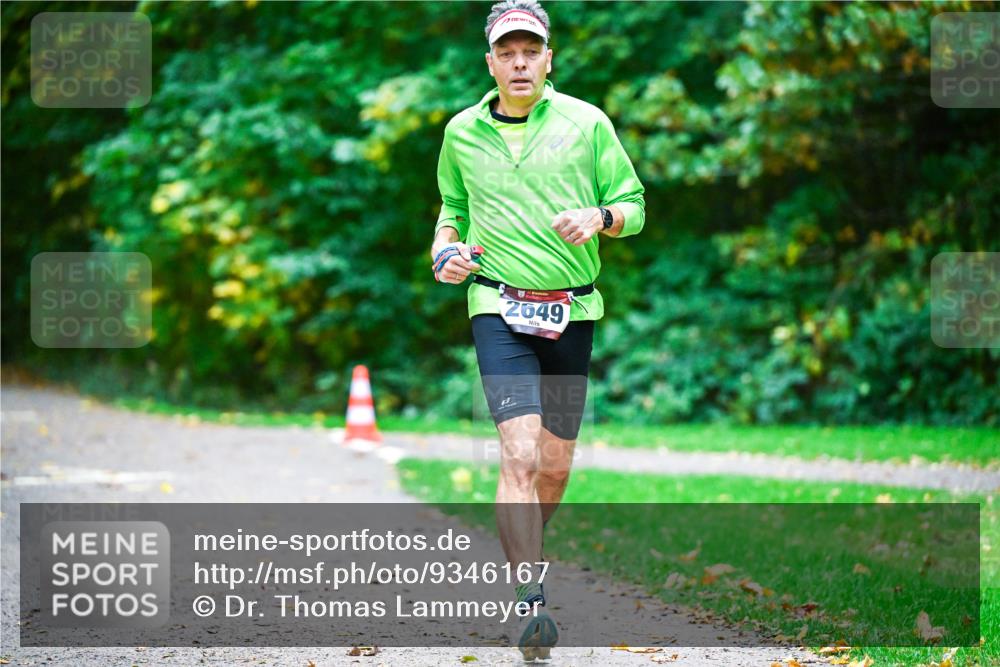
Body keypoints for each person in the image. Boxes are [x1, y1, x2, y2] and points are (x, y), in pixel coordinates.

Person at [430, 0, 645, 660]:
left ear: (549, 58)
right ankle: (528, 600)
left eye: (531, 51)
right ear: (489, 61)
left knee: (553, 468)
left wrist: (601, 215)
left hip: (571, 309)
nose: (520, 62)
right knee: (518, 455)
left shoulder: (587, 124)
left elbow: (634, 207)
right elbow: (451, 212)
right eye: (508, 52)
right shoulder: (462, 132)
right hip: (496, 305)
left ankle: (525, 551)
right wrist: (445, 253)